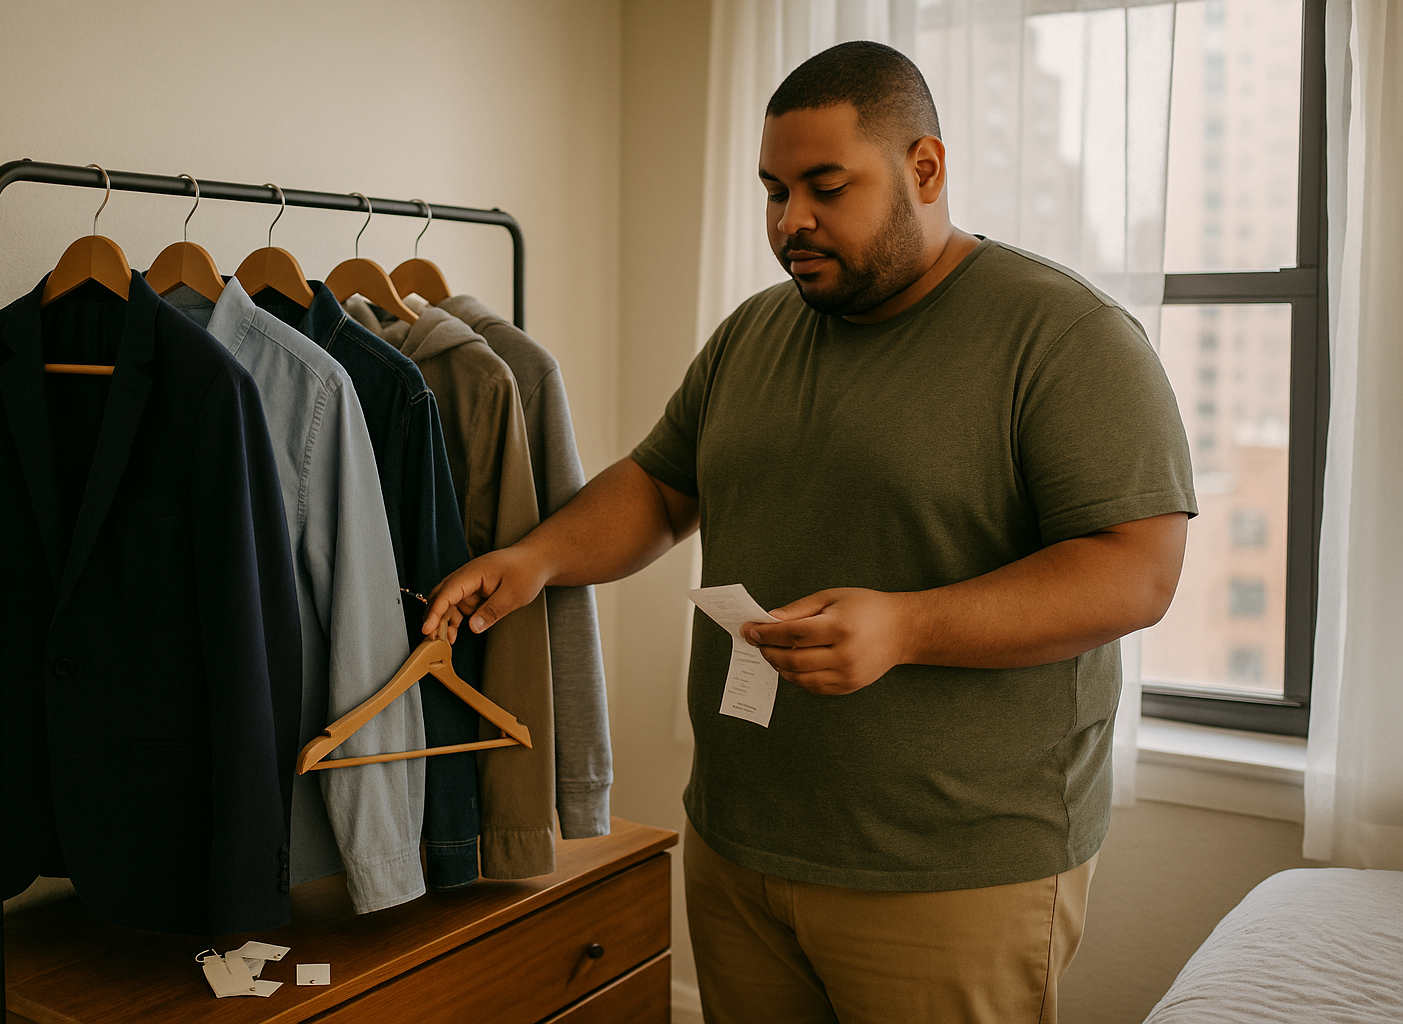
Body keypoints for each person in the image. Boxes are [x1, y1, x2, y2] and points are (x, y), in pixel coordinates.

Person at [423, 40, 1196, 1024]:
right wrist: (536, 556)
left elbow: (1136, 575)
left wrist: (908, 627)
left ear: (926, 168)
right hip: (740, 843)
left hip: (946, 875)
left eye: (826, 187)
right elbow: (663, 488)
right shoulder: (756, 331)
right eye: (774, 191)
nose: (792, 222)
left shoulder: (1063, 335)